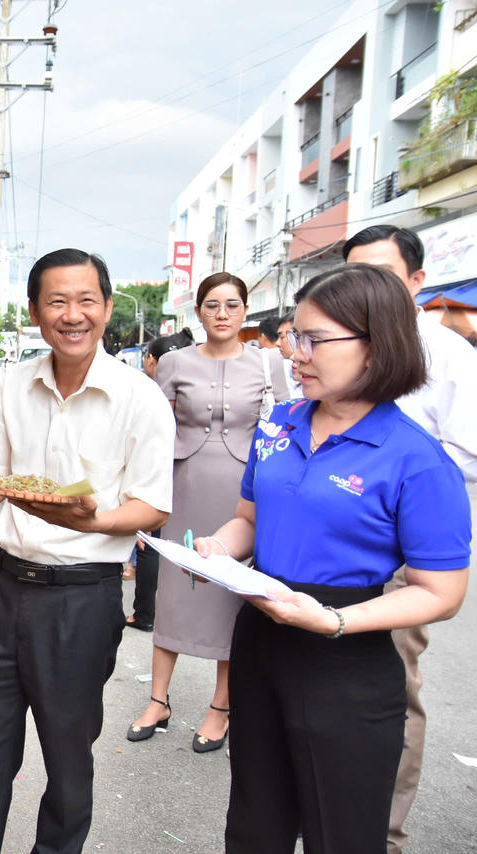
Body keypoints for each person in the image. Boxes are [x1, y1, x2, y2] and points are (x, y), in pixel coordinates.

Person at [0, 248, 174, 854]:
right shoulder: (13, 386)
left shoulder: (140, 397)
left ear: (108, 307)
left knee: (68, 762)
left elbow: (153, 507)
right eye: (57, 302)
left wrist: (94, 519)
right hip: (4, 587)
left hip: (83, 597)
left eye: (86, 300)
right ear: (36, 311)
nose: (72, 315)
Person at [194, 263, 470, 853]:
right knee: (255, 824)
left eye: (314, 339)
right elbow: (249, 521)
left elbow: (442, 592)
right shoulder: (279, 423)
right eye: (295, 336)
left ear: (378, 344)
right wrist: (217, 548)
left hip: (347, 659)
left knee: (341, 832)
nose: (296, 354)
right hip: (261, 640)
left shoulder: (417, 459)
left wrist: (333, 621)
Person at [341, 224, 477, 854]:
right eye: (352, 274)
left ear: (417, 281)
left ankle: (380, 832)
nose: (364, 288)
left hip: (398, 549)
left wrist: (386, 475)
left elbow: (468, 452)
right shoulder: (337, 343)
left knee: (391, 683)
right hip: (325, 539)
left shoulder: (446, 355)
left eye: (381, 273)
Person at [127, 274, 289, 753]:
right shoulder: (174, 362)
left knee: (231, 596)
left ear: (245, 312)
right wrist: (143, 500)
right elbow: (155, 434)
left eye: (232, 304)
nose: (222, 313)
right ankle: (158, 701)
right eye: (212, 305)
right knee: (174, 590)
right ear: (197, 312)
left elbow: (287, 428)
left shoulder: (269, 363)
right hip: (183, 485)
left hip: (246, 493)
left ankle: (221, 707)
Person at [127, 328, 195, 631]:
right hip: (189, 476)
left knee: (149, 543)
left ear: (153, 361)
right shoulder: (192, 390)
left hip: (162, 473)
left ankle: (145, 614)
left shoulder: (151, 395)